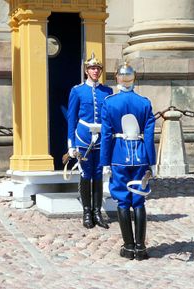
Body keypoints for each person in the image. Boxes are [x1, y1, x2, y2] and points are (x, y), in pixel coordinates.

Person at [100, 62, 156, 260]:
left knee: (123, 200)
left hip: (118, 156)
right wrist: (152, 162)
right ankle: (140, 248)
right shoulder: (144, 102)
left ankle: (128, 246)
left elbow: (106, 135)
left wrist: (104, 162)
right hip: (141, 156)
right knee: (139, 200)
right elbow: (149, 136)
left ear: (117, 78)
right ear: (133, 79)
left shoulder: (109, 102)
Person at [67, 53, 113, 229]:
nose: (95, 71)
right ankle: (86, 211)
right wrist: (71, 144)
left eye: (98, 68)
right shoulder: (77, 91)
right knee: (86, 174)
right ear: (86, 71)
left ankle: (97, 211)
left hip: (101, 138)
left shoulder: (107, 91)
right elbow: (71, 118)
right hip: (83, 137)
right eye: (92, 68)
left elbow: (109, 118)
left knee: (98, 174)